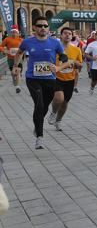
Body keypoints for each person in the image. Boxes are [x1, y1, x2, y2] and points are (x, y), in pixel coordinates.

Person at [13, 16, 68, 149]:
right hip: (33, 79)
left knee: (43, 107)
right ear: (34, 28)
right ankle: (40, 137)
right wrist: (16, 66)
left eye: (45, 26)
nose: (42, 28)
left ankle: (37, 126)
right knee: (39, 104)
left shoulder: (55, 43)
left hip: (49, 79)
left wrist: (59, 65)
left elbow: (64, 57)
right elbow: (19, 53)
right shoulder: (27, 42)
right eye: (39, 26)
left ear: (48, 28)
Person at [47, 27, 84, 131]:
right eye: (65, 33)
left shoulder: (76, 49)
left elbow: (80, 65)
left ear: (72, 36)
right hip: (56, 78)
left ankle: (58, 121)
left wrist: (75, 63)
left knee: (65, 103)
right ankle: (53, 113)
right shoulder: (55, 49)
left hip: (70, 79)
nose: (67, 35)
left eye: (69, 33)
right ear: (61, 35)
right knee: (59, 98)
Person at [0, 25, 24, 93]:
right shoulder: (7, 39)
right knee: (13, 73)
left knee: (18, 71)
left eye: (15, 32)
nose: (14, 33)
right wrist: (5, 51)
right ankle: (15, 82)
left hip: (19, 59)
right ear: (11, 32)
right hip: (10, 59)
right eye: (13, 32)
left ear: (18, 33)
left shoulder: (21, 40)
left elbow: (25, 48)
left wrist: (23, 52)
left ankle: (18, 86)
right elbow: (1, 46)